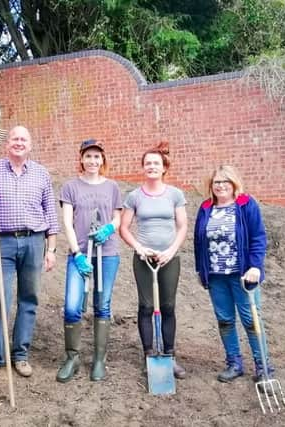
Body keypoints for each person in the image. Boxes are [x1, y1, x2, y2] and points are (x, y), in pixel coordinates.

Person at [0, 125, 59, 378]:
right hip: (3, 242)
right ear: (7, 144)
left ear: (30, 145)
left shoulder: (41, 174)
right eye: (14, 139)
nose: (19, 143)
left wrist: (51, 248)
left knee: (28, 298)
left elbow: (50, 214)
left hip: (34, 241)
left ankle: (20, 354)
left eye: (24, 139)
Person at [193, 165, 275, 383]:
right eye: (216, 182)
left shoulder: (245, 204)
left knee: (251, 319)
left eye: (225, 181)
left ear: (234, 183)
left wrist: (255, 266)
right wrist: (201, 270)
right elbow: (198, 241)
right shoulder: (206, 207)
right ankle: (234, 363)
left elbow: (258, 237)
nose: (220, 186)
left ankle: (263, 365)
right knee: (225, 320)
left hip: (242, 274)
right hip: (216, 274)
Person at [119, 141, 188, 379]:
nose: (151, 167)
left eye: (156, 163)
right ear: (143, 167)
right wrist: (139, 247)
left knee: (167, 306)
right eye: (147, 163)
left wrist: (171, 250)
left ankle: (169, 356)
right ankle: (149, 355)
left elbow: (182, 226)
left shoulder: (175, 194)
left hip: (169, 259)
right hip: (144, 259)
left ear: (163, 167)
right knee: (147, 306)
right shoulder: (135, 196)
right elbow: (125, 228)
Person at [56, 139, 122, 383]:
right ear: (81, 159)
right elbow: (67, 222)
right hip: (80, 254)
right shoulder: (70, 187)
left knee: (102, 305)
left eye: (97, 156)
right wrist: (77, 254)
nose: (93, 161)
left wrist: (108, 229)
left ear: (103, 160)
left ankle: (98, 359)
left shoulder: (112, 187)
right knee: (73, 306)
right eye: (88, 156)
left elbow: (117, 218)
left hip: (107, 253)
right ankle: (72, 357)